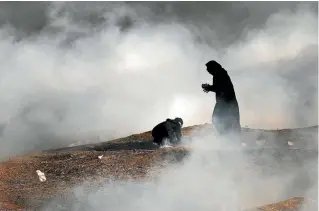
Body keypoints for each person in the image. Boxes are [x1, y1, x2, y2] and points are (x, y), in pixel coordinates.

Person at [201, 60, 241, 135]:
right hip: (223, 103)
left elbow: (222, 88)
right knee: (219, 120)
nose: (207, 70)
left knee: (224, 121)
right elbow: (218, 88)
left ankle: (229, 139)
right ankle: (226, 138)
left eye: (208, 68)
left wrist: (209, 88)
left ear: (213, 68)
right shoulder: (218, 74)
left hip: (228, 103)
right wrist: (209, 88)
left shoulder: (221, 74)